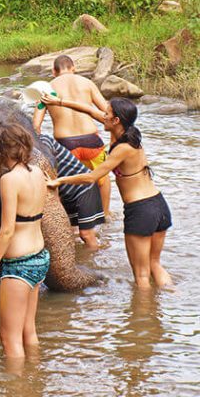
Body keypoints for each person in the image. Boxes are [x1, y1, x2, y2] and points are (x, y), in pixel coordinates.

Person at [43, 95, 173, 289]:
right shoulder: (129, 134)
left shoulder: (122, 149)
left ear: (116, 120)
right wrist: (59, 102)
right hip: (159, 205)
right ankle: (169, 302)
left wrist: (58, 180)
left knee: (142, 276)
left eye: (106, 113)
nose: (102, 116)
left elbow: (91, 178)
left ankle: (144, 318)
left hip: (140, 211)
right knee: (154, 264)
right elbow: (87, 109)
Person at [0, 125, 50, 358]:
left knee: (9, 340)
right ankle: (34, 383)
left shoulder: (9, 180)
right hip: (39, 258)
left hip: (19, 264)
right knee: (29, 331)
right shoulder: (37, 173)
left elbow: (7, 231)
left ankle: (16, 388)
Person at [33, 55, 112, 218]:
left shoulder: (47, 88)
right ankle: (105, 214)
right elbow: (107, 112)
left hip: (66, 146)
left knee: (65, 184)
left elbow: (35, 125)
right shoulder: (87, 83)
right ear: (73, 67)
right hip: (92, 142)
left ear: (54, 71)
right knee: (103, 179)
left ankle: (70, 220)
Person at [40, 134, 105, 250]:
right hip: (68, 194)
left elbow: (51, 179)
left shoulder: (44, 142)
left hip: (83, 188)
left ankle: (95, 260)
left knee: (86, 234)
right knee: (72, 233)